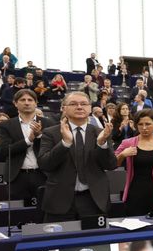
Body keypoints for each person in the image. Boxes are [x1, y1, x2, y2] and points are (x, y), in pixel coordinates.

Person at [37, 92, 117, 221]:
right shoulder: (51, 132)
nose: (79, 107)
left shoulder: (101, 133)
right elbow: (44, 164)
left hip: (94, 200)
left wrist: (101, 144)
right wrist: (65, 143)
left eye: (83, 104)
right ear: (64, 108)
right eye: (73, 104)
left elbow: (111, 165)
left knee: (95, 235)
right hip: (60, 200)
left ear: (90, 108)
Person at [0, 89, 56, 203]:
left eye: (30, 100)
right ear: (15, 103)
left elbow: (53, 150)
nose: (26, 103)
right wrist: (28, 140)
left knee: (45, 210)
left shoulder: (48, 123)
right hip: (17, 177)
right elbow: (4, 150)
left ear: (36, 103)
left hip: (42, 175)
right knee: (18, 211)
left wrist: (39, 136)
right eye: (22, 100)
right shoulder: (6, 125)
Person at [114, 109, 153, 216]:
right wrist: (123, 154)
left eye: (147, 124)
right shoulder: (127, 143)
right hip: (134, 195)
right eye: (140, 124)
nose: (144, 127)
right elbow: (113, 164)